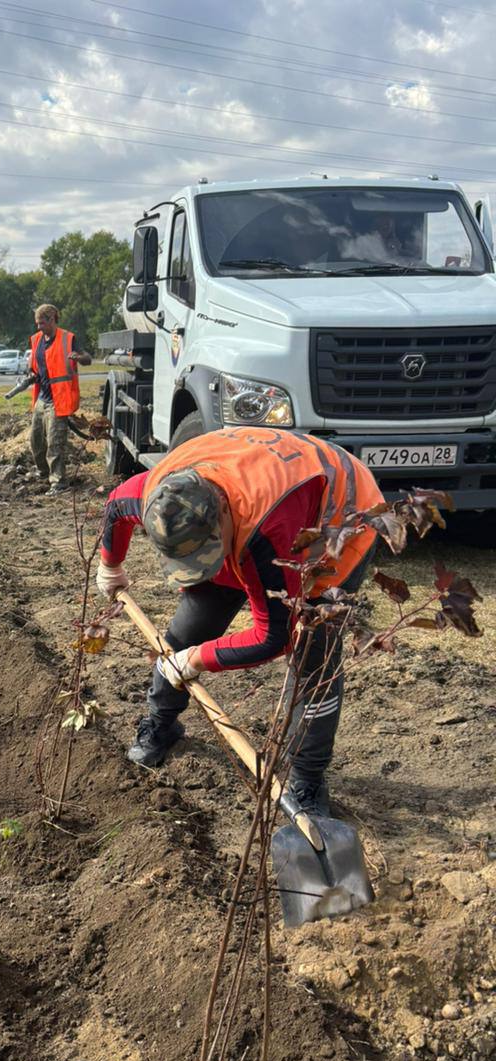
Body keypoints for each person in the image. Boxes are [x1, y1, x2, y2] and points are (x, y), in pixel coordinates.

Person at [96, 426, 383, 817]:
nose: (204, 566)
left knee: (311, 657)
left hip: (334, 522)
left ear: (225, 515)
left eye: (209, 554)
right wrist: (110, 565)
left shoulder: (270, 528)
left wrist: (197, 661)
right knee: (184, 634)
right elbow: (115, 506)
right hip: (246, 506)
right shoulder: (159, 496)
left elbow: (273, 637)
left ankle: (308, 780)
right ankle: (161, 724)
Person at [28, 304, 92, 495]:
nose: (39, 327)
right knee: (36, 442)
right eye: (37, 323)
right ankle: (44, 473)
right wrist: (31, 375)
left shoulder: (68, 339)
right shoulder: (37, 340)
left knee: (54, 443)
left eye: (42, 323)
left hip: (59, 399)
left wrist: (79, 357)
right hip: (42, 397)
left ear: (53, 319)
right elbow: (37, 365)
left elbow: (87, 358)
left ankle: (59, 483)